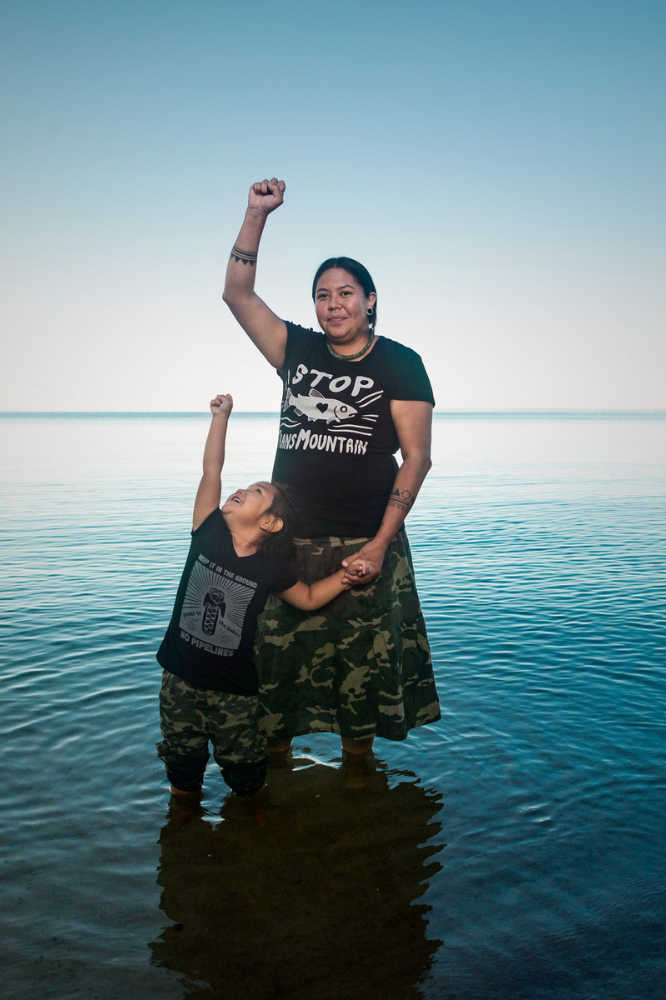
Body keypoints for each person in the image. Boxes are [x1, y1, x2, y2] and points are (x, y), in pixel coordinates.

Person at [220, 177, 440, 763]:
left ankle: (357, 783)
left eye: (346, 293)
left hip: (362, 538)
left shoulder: (401, 363)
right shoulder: (297, 350)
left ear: (369, 300)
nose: (334, 303)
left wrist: (380, 544)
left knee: (359, 679)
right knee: (273, 670)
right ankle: (272, 792)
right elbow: (237, 295)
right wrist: (256, 214)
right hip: (283, 538)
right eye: (322, 294)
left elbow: (415, 458)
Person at [155, 394, 357, 812]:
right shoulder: (207, 531)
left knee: (244, 769)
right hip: (178, 679)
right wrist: (220, 417)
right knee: (181, 762)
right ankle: (181, 827)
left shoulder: (270, 569)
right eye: (246, 486)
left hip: (234, 691)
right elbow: (212, 469)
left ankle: (260, 826)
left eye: (257, 491)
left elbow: (307, 598)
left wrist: (347, 574)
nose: (242, 489)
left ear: (270, 522)